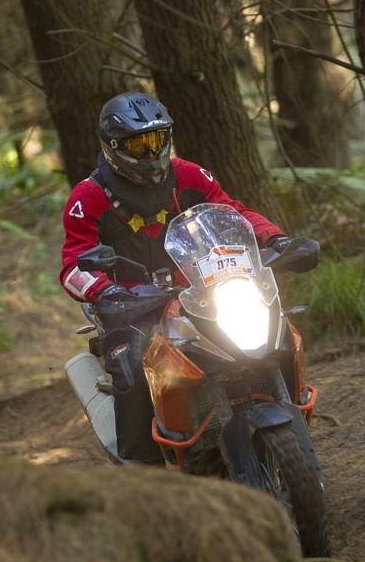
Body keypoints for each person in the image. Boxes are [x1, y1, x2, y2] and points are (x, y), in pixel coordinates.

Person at [59, 91, 291, 464]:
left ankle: (286, 407)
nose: (152, 152)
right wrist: (105, 291)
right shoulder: (88, 197)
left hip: (201, 291)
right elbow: (73, 265)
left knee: (275, 328)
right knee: (133, 366)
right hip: (130, 306)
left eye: (157, 139)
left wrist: (276, 239)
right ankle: (144, 469)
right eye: (139, 144)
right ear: (114, 147)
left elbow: (231, 211)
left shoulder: (189, 175)